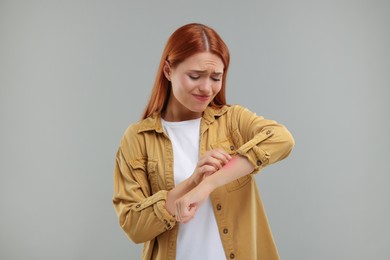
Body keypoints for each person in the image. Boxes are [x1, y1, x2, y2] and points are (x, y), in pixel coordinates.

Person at [113, 23, 294, 260]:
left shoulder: (232, 121)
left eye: (216, 77)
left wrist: (208, 185)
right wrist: (192, 182)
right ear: (168, 70)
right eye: (195, 76)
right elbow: (134, 226)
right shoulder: (138, 139)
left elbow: (282, 139)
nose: (207, 88)